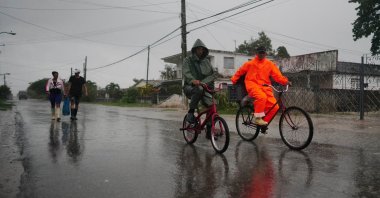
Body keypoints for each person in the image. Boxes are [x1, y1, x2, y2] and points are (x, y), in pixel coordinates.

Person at [231, 46, 290, 126]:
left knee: (275, 107)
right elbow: (240, 72)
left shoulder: (270, 64)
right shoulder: (250, 63)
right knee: (261, 97)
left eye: (263, 53)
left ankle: (263, 124)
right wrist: (234, 80)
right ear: (256, 53)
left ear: (265, 53)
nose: (261, 54)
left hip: (265, 86)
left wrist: (285, 81)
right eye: (260, 52)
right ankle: (257, 118)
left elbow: (277, 75)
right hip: (252, 84)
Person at [183, 39, 217, 138]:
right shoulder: (187, 60)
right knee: (199, 89)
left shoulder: (206, 61)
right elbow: (186, 72)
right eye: (198, 49)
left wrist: (209, 87)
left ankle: (209, 131)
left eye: (202, 49)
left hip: (203, 86)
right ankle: (190, 112)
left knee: (212, 106)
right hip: (190, 87)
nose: (200, 51)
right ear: (194, 50)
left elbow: (213, 74)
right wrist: (193, 80)